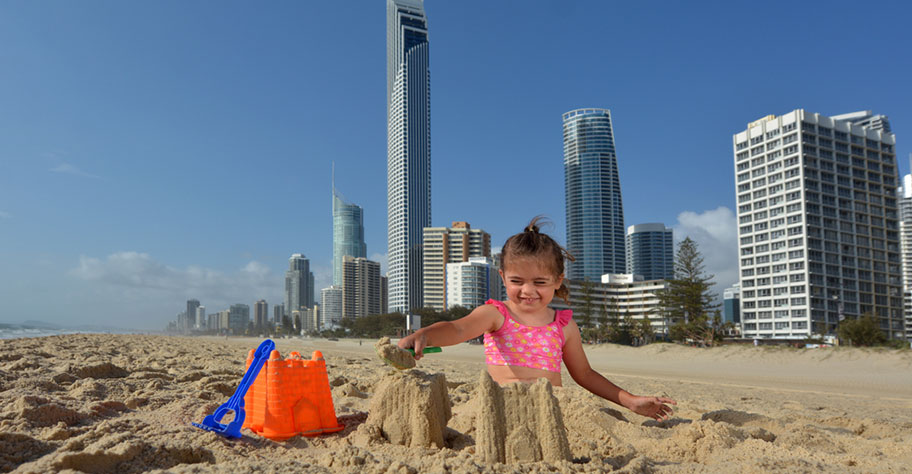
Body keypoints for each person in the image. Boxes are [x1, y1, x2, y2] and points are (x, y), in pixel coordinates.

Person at [399, 217, 676, 421]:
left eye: (540, 282)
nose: (528, 291)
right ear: (502, 277)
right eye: (516, 281)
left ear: (557, 281)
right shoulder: (496, 314)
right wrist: (425, 335)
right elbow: (458, 328)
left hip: (552, 411)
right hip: (502, 410)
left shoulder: (564, 325)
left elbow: (585, 374)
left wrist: (630, 402)